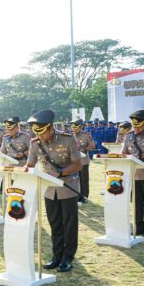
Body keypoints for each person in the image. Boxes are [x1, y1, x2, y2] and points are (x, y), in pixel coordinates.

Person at [27, 110, 82, 273]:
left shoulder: (68, 139)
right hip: (49, 189)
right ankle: (56, 256)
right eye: (38, 134)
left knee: (69, 224)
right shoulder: (35, 143)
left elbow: (77, 165)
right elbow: (30, 164)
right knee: (55, 223)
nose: (42, 137)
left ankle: (68, 258)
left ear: (50, 128)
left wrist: (60, 173)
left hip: (67, 187)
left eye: (43, 133)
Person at [70, 119, 96, 204]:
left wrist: (85, 149)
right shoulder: (70, 135)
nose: (73, 128)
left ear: (80, 127)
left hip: (83, 161)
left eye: (75, 126)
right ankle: (76, 196)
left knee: (84, 180)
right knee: (74, 180)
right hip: (73, 162)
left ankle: (84, 197)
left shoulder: (86, 135)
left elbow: (92, 145)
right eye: (72, 126)